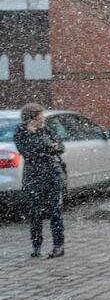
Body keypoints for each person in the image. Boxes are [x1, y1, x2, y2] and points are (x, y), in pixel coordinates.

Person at [12, 103, 66, 259]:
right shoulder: (20, 132)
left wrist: (53, 146)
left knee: (55, 211)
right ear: (32, 117)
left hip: (52, 174)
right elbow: (27, 152)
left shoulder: (45, 129)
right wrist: (45, 145)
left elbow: (60, 147)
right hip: (33, 177)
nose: (43, 118)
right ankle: (36, 246)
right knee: (35, 213)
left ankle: (58, 246)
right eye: (40, 116)